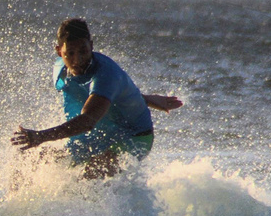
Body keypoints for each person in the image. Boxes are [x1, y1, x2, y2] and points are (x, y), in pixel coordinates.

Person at [11, 17, 182, 178]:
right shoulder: (60, 70)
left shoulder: (105, 74)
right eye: (70, 53)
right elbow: (106, 97)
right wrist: (145, 98)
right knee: (31, 157)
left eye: (83, 51)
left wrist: (41, 136)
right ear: (58, 51)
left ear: (91, 46)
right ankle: (13, 207)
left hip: (133, 136)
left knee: (89, 174)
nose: (77, 60)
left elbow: (88, 120)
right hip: (98, 133)